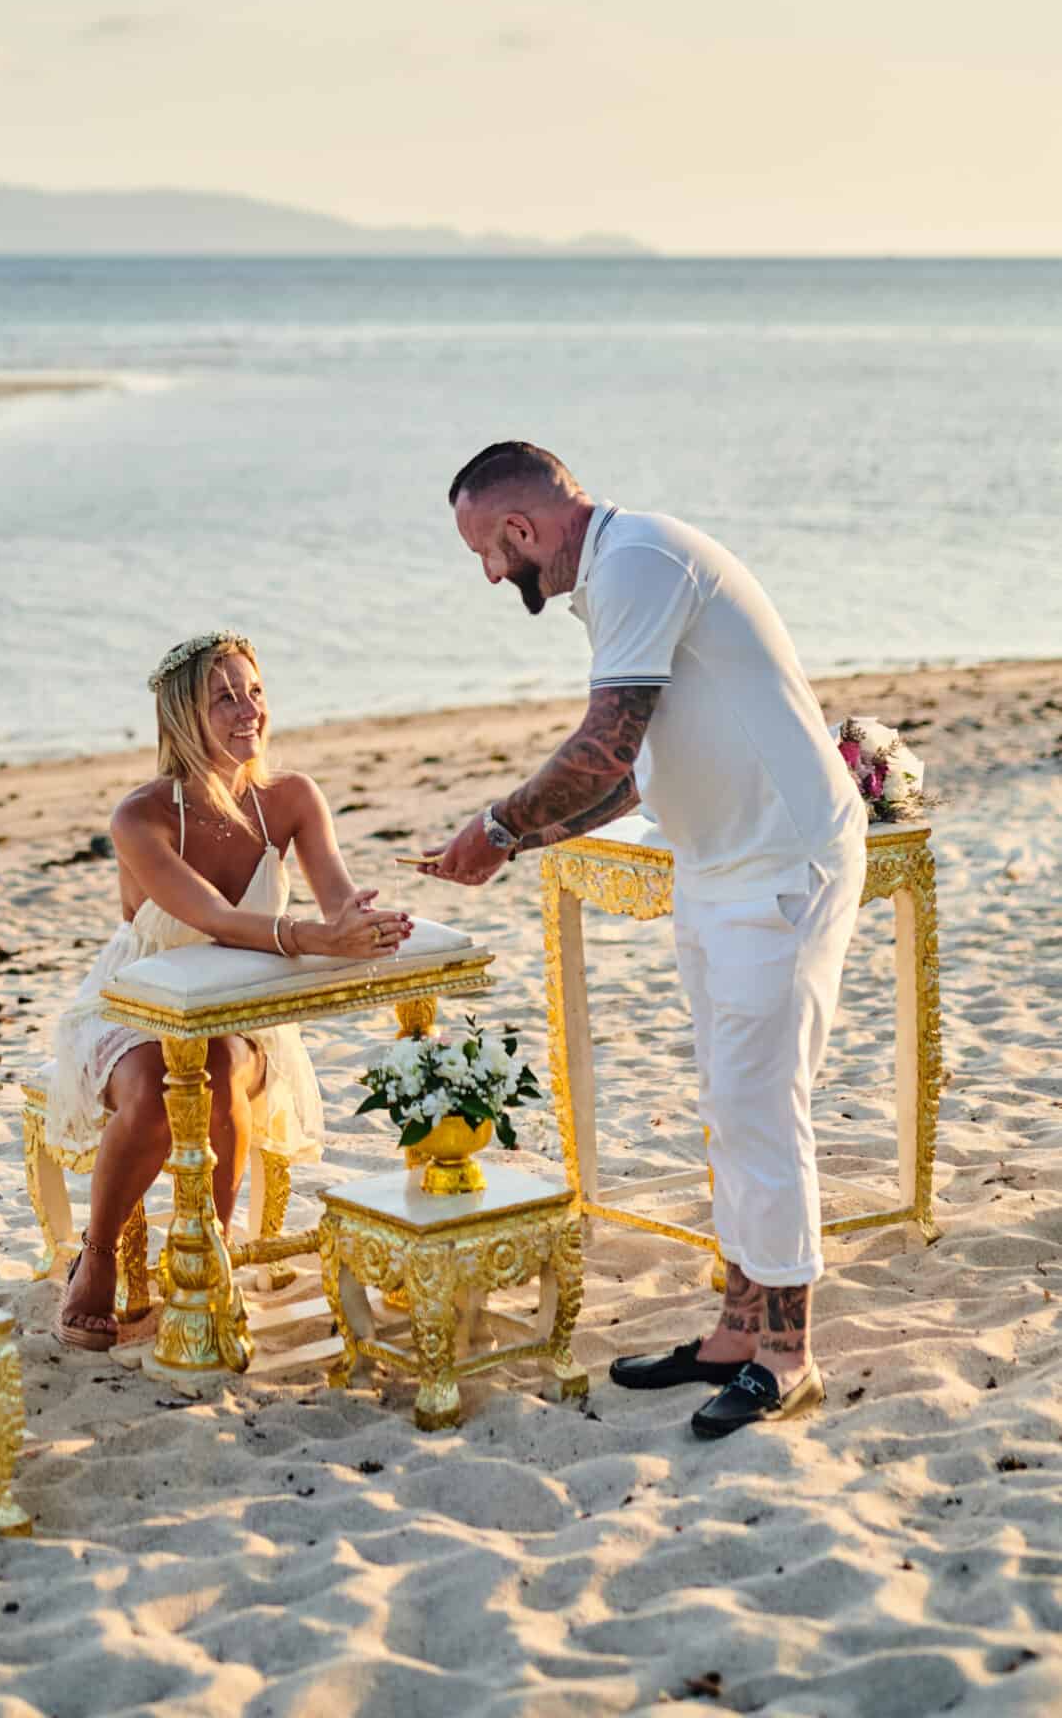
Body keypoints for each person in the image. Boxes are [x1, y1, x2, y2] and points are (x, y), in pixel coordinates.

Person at [419, 442, 865, 1440]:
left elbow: (604, 741)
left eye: (490, 551)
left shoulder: (637, 563)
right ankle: (733, 1332)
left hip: (783, 860)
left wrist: (495, 828)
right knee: (727, 1104)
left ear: (523, 529)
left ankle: (787, 1356)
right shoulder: (621, 573)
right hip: (716, 864)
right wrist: (525, 835)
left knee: (762, 1109)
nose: (493, 574)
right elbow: (635, 769)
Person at [48, 630, 413, 1351]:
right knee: (158, 1085)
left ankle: (204, 1258)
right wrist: (312, 936)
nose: (247, 709)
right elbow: (212, 919)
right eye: (224, 699)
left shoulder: (292, 797)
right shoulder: (141, 816)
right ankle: (96, 1257)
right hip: (137, 999)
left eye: (253, 692)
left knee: (214, 1071)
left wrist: (355, 918)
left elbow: (333, 895)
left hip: (239, 1005)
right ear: (184, 719)